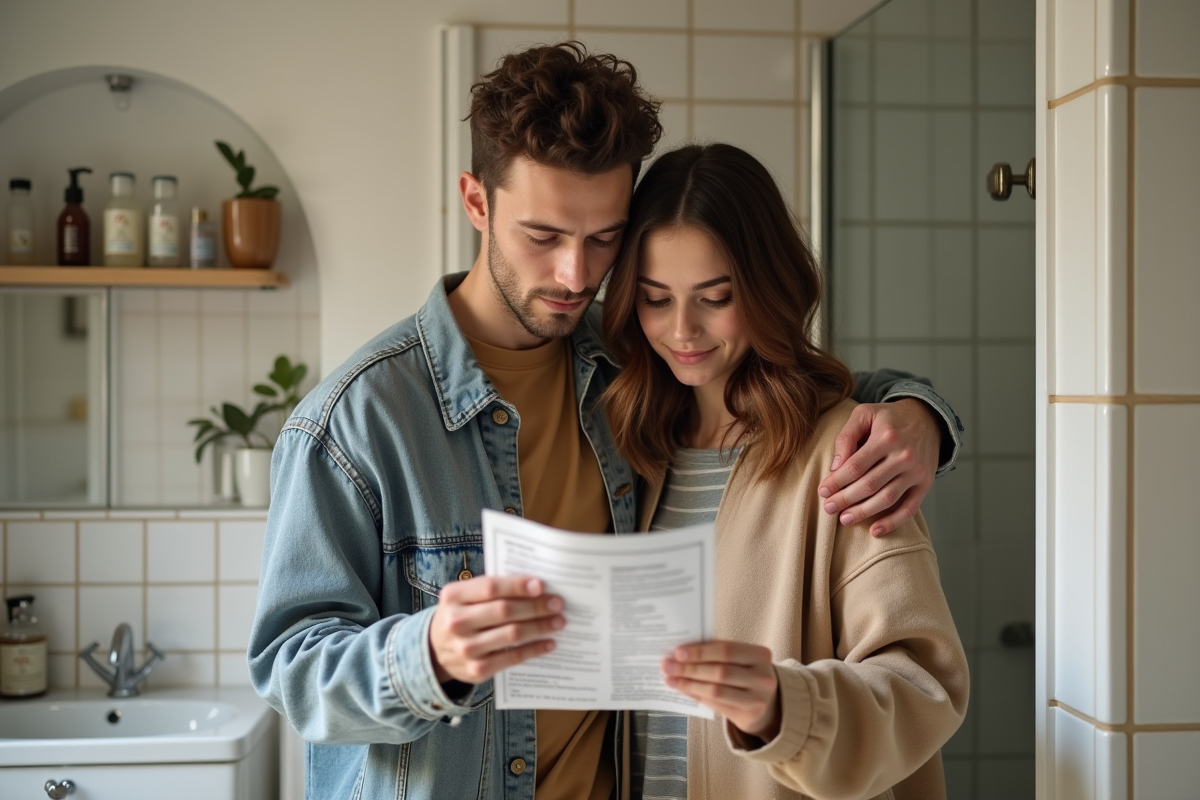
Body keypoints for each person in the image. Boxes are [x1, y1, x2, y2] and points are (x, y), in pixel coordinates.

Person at [248, 43, 963, 800]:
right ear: (476, 202)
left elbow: (784, 379)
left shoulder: (629, 370)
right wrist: (428, 654)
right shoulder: (354, 422)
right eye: (544, 237)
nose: (575, 276)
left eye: (603, 240)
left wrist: (919, 415)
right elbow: (290, 669)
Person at [600, 141, 970, 800]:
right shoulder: (622, 447)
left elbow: (923, 684)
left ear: (769, 288)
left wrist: (786, 708)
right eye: (656, 299)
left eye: (715, 297)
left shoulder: (845, 453)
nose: (681, 329)